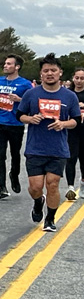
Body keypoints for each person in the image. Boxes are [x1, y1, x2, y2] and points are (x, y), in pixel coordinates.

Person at [16, 55, 82, 234]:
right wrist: (30, 118)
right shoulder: (31, 94)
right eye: (46, 71)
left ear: (60, 73)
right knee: (36, 187)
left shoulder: (69, 96)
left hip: (58, 148)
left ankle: (50, 219)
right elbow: (19, 115)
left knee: (53, 184)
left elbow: (76, 120)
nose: (50, 73)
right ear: (41, 74)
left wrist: (63, 124)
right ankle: (38, 202)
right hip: (35, 147)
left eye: (53, 70)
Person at [0, 54, 32, 201]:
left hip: (15, 123)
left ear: (17, 67)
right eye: (5, 63)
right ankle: (2, 186)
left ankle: (14, 175)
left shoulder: (25, 84)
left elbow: (31, 103)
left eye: (9, 64)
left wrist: (19, 100)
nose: (5, 66)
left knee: (15, 153)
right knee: (0, 155)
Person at [68, 67, 84, 202]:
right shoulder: (68, 94)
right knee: (70, 158)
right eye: (77, 78)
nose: (79, 81)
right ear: (73, 78)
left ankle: (83, 184)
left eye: (82, 78)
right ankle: (70, 187)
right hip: (71, 131)